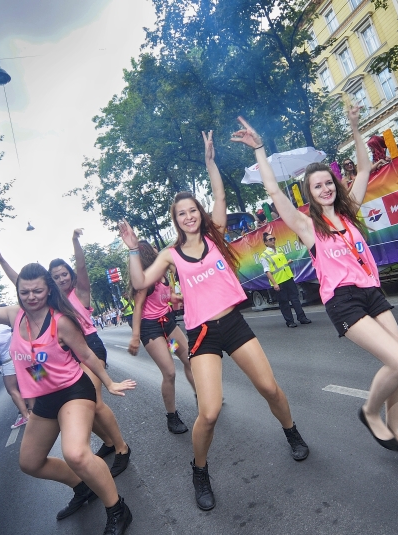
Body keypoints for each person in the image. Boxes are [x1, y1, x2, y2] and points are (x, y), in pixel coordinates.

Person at [118, 130, 309, 512]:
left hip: (235, 325)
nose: (188, 217)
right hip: (203, 333)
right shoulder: (171, 254)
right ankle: (199, 470)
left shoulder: (215, 234)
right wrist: (133, 250)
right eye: (181, 214)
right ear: (175, 221)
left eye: (192, 211)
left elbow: (220, 196)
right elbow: (139, 282)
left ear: (199, 214)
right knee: (209, 412)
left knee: (270, 389)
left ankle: (292, 433)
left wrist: (210, 161)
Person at [237, 104, 398, 459]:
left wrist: (355, 127)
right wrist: (260, 150)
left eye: (328, 182)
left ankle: (396, 432)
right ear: (309, 193)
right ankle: (370, 412)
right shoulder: (308, 226)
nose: (324, 188)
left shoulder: (349, 211)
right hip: (343, 301)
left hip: (372, 292)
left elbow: (366, 165)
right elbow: (275, 194)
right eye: (316, 186)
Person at [0, 251, 136, 533]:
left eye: (37, 291)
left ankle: (118, 508)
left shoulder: (61, 321)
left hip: (73, 390)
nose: (31, 296)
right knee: (30, 463)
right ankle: (83, 488)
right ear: (18, 292)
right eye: (25, 292)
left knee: (76, 453)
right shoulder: (14, 315)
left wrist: (108, 382)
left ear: (48, 290)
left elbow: (87, 355)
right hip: (44, 399)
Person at [0, 242, 133, 480]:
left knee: (93, 402)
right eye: (55, 276)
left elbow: (82, 265)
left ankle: (121, 447)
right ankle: (108, 441)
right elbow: (22, 283)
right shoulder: (49, 303)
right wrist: (2, 261)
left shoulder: (79, 293)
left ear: (71, 274)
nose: (61, 278)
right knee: (77, 408)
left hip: (88, 347)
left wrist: (75, 241)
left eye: (64, 273)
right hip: (58, 353)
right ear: (50, 283)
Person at [126, 240, 197, 434]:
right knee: (170, 372)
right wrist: (135, 336)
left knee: (189, 359)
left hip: (168, 327)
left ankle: (200, 395)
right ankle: (172, 416)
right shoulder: (145, 281)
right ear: (148, 253)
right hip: (152, 331)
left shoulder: (163, 274)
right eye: (153, 248)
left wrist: (175, 298)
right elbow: (138, 308)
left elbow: (167, 296)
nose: (158, 250)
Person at [260, 232, 311, 327]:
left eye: (273, 238)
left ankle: (302, 318)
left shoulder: (279, 250)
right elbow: (267, 271)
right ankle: (290, 321)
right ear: (265, 243)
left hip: (288, 278)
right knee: (284, 302)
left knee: (295, 299)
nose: (273, 241)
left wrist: (287, 263)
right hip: (278, 281)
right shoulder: (264, 256)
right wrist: (275, 284)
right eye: (270, 239)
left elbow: (280, 265)